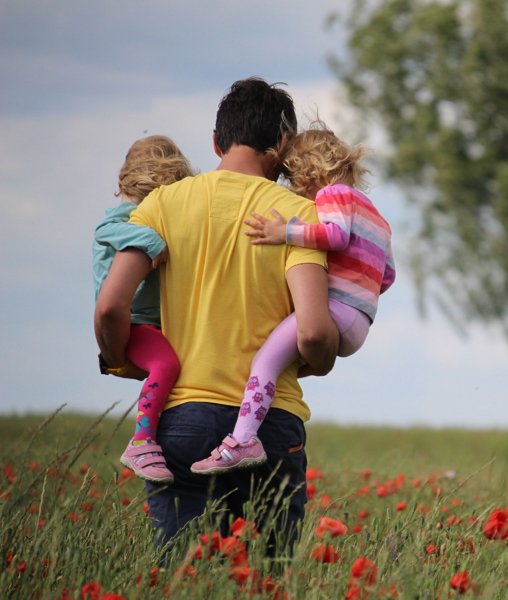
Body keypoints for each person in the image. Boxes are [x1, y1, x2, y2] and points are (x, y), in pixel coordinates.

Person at [94, 77, 339, 552]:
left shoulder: (162, 204)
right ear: (283, 145)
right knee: (266, 579)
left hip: (181, 419)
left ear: (215, 141)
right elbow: (312, 331)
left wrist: (121, 358)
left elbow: (109, 305)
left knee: (185, 576)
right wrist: (323, 358)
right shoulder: (298, 216)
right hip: (269, 425)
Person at [190, 123, 396, 475]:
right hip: (360, 320)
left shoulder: (334, 195)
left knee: (264, 362)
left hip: (335, 310)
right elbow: (387, 275)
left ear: (310, 170)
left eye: (293, 177)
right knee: (281, 364)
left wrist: (283, 232)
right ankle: (254, 420)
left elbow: (334, 235)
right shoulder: (377, 217)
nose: (293, 188)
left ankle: (242, 440)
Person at [93, 135, 193, 484]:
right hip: (134, 323)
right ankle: (142, 441)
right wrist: (152, 241)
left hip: (151, 323)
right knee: (166, 364)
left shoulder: (142, 213)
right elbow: (107, 230)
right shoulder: (124, 218)